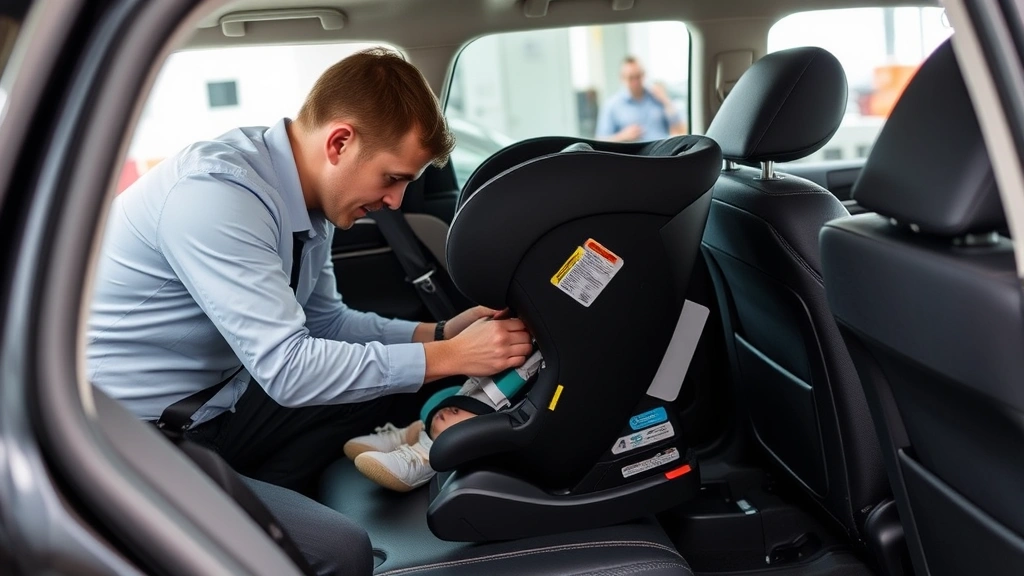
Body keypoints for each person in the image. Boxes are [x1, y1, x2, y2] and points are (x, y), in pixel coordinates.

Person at [86, 47, 533, 576]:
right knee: (341, 551)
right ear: (340, 142)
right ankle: (256, 517)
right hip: (126, 437)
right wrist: (452, 356)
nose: (396, 200)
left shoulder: (307, 202)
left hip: (218, 407)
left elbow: (328, 325)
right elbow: (289, 369)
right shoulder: (216, 195)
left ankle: (260, 497)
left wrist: (438, 332)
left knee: (382, 389)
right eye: (392, 178)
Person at [344, 346, 544, 492]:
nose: (450, 411)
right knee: (440, 409)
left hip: (486, 413)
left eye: (455, 412)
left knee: (449, 423)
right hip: (475, 391)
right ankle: (411, 434)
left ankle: (422, 456)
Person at [595, 56, 687, 142]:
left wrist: (666, 101)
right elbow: (601, 140)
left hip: (662, 155)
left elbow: (681, 129)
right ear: (622, 78)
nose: (635, 82)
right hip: (633, 157)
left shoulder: (657, 97)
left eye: (638, 76)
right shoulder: (612, 105)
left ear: (644, 74)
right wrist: (622, 137)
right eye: (631, 78)